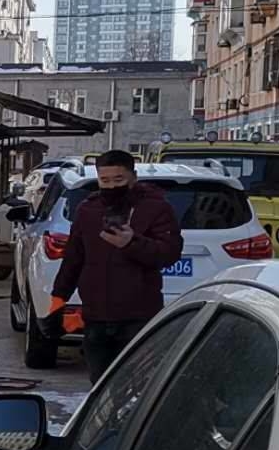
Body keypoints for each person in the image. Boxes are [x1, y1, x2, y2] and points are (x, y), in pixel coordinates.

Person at [48, 149, 185, 382]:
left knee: (137, 384)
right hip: (96, 317)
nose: (111, 186)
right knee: (100, 384)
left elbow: (169, 253)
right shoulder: (88, 210)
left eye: (118, 180)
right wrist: (58, 301)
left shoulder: (156, 208)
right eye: (105, 180)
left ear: (133, 178)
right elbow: (73, 259)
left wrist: (132, 242)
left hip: (138, 316)